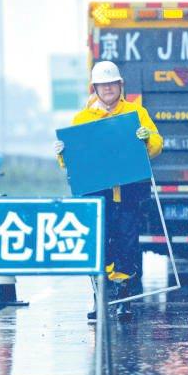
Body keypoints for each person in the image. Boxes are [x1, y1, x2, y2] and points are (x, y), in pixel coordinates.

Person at [54, 60, 163, 321]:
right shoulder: (82, 119)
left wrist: (147, 137)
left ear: (120, 85)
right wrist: (62, 154)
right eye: (103, 85)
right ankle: (99, 300)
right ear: (95, 88)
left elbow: (157, 146)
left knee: (127, 244)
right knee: (100, 246)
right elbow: (73, 162)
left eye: (112, 84)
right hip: (97, 196)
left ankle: (124, 300)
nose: (108, 89)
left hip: (128, 195)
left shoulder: (136, 114)